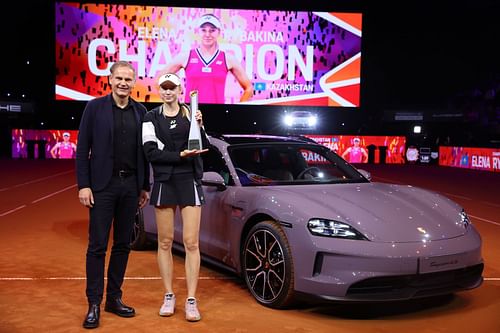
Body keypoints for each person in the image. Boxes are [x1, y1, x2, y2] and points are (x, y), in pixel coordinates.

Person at [76, 60, 150, 329]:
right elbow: (82, 148)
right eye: (119, 78)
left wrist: (145, 186)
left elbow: (146, 152)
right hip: (102, 187)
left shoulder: (141, 111)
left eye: (128, 79)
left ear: (134, 82)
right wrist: (83, 185)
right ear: (110, 80)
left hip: (131, 187)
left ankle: (114, 299)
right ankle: (94, 303)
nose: (123, 83)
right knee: (97, 246)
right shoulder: (94, 108)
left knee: (122, 245)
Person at [142, 73, 209, 322]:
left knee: (191, 243)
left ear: (180, 89)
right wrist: (180, 155)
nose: (168, 91)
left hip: (189, 180)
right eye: (164, 88)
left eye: (172, 88)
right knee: (165, 242)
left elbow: (202, 147)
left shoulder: (191, 114)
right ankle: (168, 295)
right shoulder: (150, 118)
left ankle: (191, 299)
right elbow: (151, 152)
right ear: (159, 91)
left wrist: (201, 127)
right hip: (164, 181)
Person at [162, 13, 253, 104]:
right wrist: (174, 106)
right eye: (203, 30)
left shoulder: (228, 59)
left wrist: (236, 110)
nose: (207, 34)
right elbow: (159, 80)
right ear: (198, 32)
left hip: (217, 115)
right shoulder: (186, 56)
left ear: (219, 32)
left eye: (212, 30)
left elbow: (249, 88)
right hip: (191, 115)